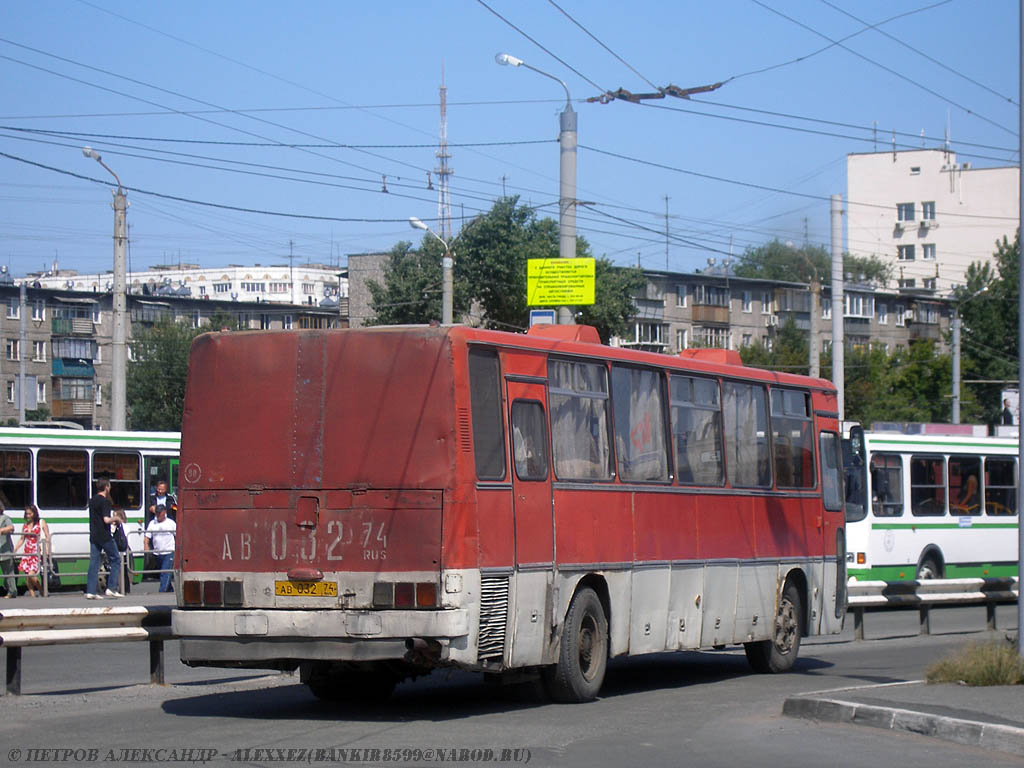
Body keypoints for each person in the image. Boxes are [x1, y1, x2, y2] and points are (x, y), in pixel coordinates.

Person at [86, 478, 122, 599]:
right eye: (109, 486)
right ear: (106, 487)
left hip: (94, 535)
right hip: (105, 536)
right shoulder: (105, 502)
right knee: (116, 559)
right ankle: (111, 588)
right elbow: (106, 520)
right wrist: (116, 519)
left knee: (94, 563)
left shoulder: (92, 500)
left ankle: (90, 591)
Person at [13, 505, 49, 597]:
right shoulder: (25, 525)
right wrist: (16, 548)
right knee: (28, 577)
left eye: (30, 513)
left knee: (32, 574)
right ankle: (32, 596)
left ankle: (41, 590)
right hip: (27, 551)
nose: (28, 515)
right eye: (27, 514)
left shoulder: (41, 522)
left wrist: (47, 549)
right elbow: (22, 538)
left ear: (34, 513)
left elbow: (47, 536)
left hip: (36, 551)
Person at [144, 503, 176, 592]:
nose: (158, 515)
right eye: (157, 513)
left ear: (164, 512)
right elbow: (147, 536)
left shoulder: (171, 523)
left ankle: (162, 591)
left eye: (160, 513)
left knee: (165, 572)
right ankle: (169, 590)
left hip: (169, 551)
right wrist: (146, 545)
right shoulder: (152, 523)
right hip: (157, 553)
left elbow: (177, 536)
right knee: (164, 573)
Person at [0, 503, 15, 598]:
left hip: (5, 550)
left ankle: (12, 592)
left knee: (8, 572)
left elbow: (11, 528)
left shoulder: (5, 518)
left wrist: (1, 530)